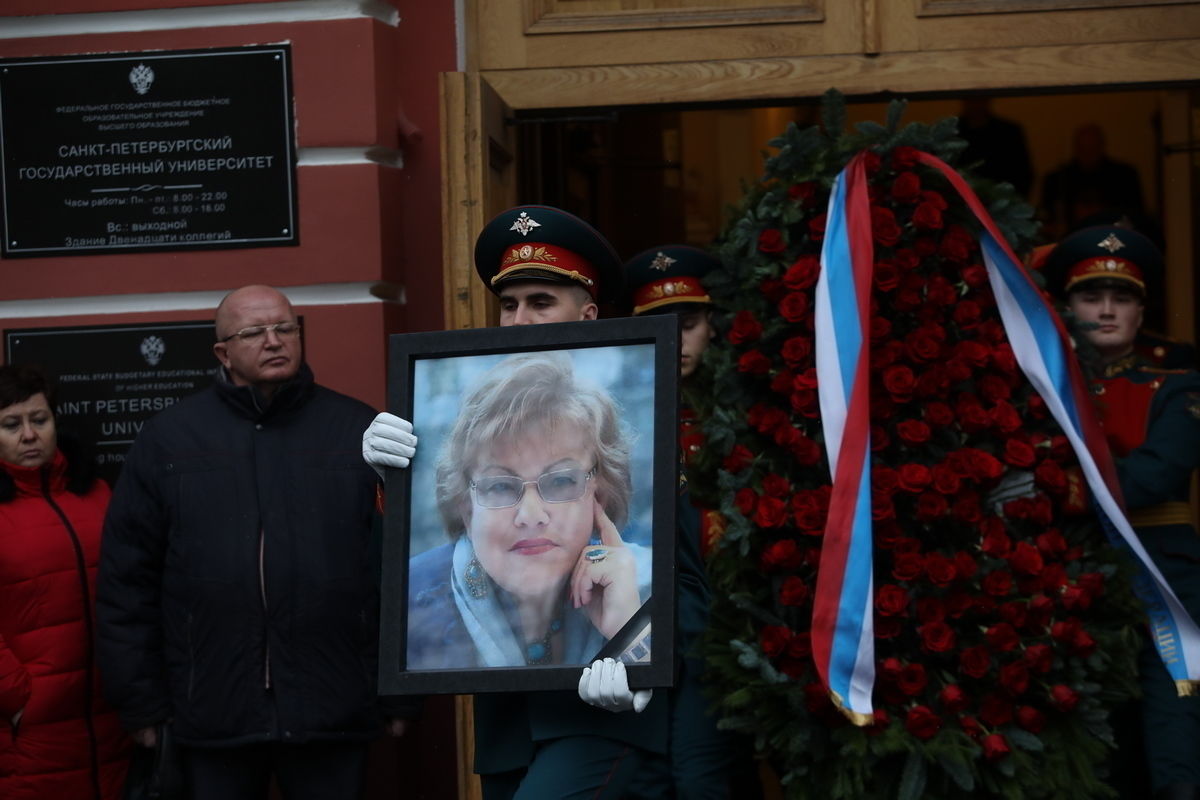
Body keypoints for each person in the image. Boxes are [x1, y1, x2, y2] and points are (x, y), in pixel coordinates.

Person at [365, 205, 709, 799]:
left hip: (608, 725)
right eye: (509, 303)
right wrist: (387, 480)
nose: (519, 318)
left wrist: (637, 651)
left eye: (541, 301)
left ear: (589, 313)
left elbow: (693, 595)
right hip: (508, 732)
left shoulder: (630, 423)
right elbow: (405, 597)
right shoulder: (477, 426)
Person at [96, 285, 415, 800]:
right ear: (223, 352)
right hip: (212, 707)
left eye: (285, 328)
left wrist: (399, 693)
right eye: (254, 332)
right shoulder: (170, 439)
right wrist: (141, 704)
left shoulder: (358, 430)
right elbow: (127, 582)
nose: (274, 341)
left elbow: (398, 568)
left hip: (332, 703)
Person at [1045, 226, 1200, 798]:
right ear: (1068, 307)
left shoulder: (1179, 385)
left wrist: (1058, 490)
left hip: (1167, 585)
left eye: (1122, 298)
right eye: (1091, 297)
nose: (1107, 311)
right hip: (1073, 583)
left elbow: (1156, 474)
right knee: (1086, 755)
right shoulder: (1044, 388)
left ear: (1141, 309)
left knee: (1174, 748)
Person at [407, 352, 650, 670]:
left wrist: (631, 635)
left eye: (562, 480)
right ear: (466, 509)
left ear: (599, 497)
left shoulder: (650, 587)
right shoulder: (413, 599)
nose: (531, 515)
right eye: (499, 486)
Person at [621, 245, 744, 796]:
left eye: (688, 322)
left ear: (713, 326)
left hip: (719, 631)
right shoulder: (619, 416)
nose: (676, 338)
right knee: (647, 779)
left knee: (704, 777)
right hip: (636, 627)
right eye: (661, 323)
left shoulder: (741, 413)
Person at [0, 365, 131, 800]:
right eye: (11, 425)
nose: (30, 435)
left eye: (39, 420)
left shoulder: (93, 492)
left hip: (110, 719)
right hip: (33, 729)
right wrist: (19, 700)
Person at [1041, 123, 1145, 240]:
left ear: (1102, 146)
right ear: (1075, 148)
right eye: (1083, 149)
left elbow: (1137, 217)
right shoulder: (1058, 179)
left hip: (1114, 240)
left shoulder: (1124, 176)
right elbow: (1046, 221)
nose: (1088, 155)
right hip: (1070, 241)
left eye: (1092, 149)